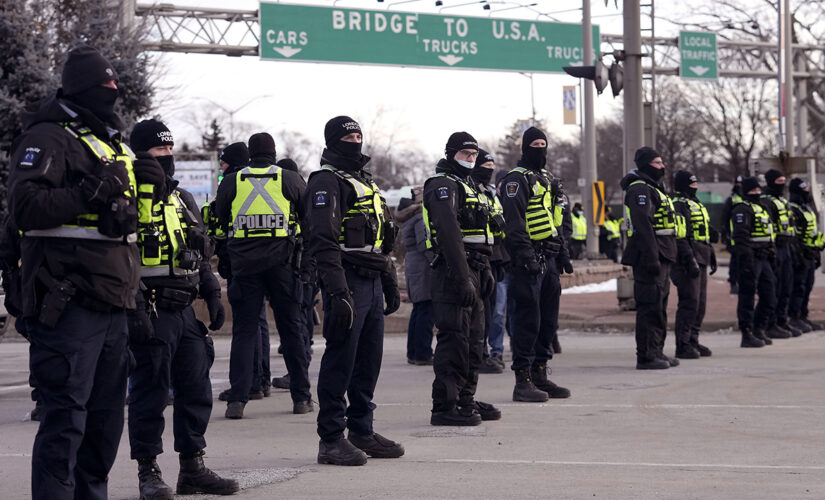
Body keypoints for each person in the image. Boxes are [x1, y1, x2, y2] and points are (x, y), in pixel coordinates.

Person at [7, 45, 141, 500]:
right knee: (65, 423)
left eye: (115, 85)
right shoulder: (48, 137)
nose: (114, 92)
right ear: (82, 88)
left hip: (115, 299)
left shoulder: (105, 140)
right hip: (70, 303)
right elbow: (25, 208)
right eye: (104, 86)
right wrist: (91, 190)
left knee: (105, 427)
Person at [126, 119, 238, 498]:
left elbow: (200, 253)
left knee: (195, 390)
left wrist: (211, 292)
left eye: (171, 149)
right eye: (159, 151)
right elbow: (119, 257)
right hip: (150, 309)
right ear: (141, 153)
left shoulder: (182, 199)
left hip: (185, 311)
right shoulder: (127, 197)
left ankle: (192, 467)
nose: (167, 157)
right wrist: (135, 306)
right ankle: (148, 470)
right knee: (150, 393)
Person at [306, 116, 403, 466]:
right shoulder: (326, 181)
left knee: (368, 361)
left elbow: (382, 239)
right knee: (341, 360)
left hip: (372, 281)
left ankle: (361, 430)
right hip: (347, 280)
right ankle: (331, 438)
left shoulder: (365, 182)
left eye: (358, 134)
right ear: (333, 141)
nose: (355, 140)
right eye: (348, 135)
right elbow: (323, 240)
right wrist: (337, 291)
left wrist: (389, 280)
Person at [215, 132, 311, 418]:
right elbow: (308, 220)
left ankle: (237, 401)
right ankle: (302, 398)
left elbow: (221, 218)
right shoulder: (290, 179)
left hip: (245, 265)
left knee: (244, 332)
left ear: (249, 153)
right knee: (291, 329)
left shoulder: (233, 180)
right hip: (283, 264)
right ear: (273, 152)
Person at [423, 135, 501, 426]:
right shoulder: (442, 185)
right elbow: (449, 234)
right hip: (454, 271)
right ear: (451, 154)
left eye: (473, 154)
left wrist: (486, 270)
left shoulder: (471, 187)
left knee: (474, 341)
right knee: (454, 340)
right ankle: (444, 407)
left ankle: (465, 399)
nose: (470, 158)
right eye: (465, 153)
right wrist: (462, 275)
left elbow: (483, 233)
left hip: (478, 268)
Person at [500, 126, 571, 400]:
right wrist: (527, 256)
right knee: (527, 320)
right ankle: (523, 379)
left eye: (544, 143)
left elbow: (556, 220)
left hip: (549, 259)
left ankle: (540, 372)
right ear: (525, 147)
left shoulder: (546, 179)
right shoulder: (516, 181)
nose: (540, 148)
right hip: (527, 262)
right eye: (535, 144)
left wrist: (563, 253)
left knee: (547, 321)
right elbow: (514, 223)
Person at [620, 147, 679, 370]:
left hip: (663, 253)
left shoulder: (654, 188)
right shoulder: (640, 189)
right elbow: (643, 225)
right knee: (649, 307)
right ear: (645, 165)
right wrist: (652, 256)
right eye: (657, 163)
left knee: (659, 306)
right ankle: (645, 356)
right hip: (649, 256)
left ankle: (657, 351)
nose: (662, 167)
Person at [670, 170, 715, 359]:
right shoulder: (678, 204)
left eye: (696, 184)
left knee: (700, 303)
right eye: (691, 185)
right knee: (690, 302)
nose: (694, 188)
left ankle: (693, 339)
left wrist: (710, 254)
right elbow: (681, 235)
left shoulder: (695, 203)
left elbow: (701, 233)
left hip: (701, 255)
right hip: (686, 259)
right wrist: (690, 260)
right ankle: (683, 344)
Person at [730, 176, 776, 348]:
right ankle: (747, 332)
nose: (757, 192)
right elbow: (741, 237)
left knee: (770, 295)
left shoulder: (763, 208)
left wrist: (773, 256)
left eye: (758, 189)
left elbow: (770, 235)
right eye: (753, 190)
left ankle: (760, 327)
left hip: (765, 258)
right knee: (747, 296)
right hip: (751, 258)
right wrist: (747, 260)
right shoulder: (742, 209)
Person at [473, 150, 509, 373]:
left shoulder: (490, 194)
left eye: (491, 166)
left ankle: (490, 351)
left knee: (494, 311)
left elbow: (499, 227)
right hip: (479, 260)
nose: (489, 170)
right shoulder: (470, 191)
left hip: (496, 260)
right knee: (482, 312)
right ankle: (480, 354)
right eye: (485, 165)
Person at [761, 169, 802, 338]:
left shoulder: (783, 201)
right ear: (771, 182)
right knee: (775, 288)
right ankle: (770, 324)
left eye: (784, 181)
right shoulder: (767, 202)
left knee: (787, 286)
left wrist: (796, 248)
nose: (782, 184)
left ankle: (781, 321)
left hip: (788, 246)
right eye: (779, 181)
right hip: (776, 247)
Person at [398, 187, 435, 365]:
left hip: (414, 263)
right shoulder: (421, 217)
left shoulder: (410, 217)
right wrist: (434, 261)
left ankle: (413, 352)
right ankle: (423, 353)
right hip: (423, 264)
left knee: (419, 308)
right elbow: (424, 243)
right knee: (426, 309)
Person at [788, 178, 824, 332]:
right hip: (801, 254)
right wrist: (798, 255)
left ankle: (803, 316)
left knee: (807, 287)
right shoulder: (793, 208)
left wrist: (818, 249)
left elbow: (813, 232)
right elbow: (795, 236)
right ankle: (794, 317)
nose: (806, 193)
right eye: (803, 191)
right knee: (799, 287)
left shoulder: (807, 208)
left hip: (810, 253)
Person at [721, 176, 744, 294]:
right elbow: (725, 218)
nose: (739, 185)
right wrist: (725, 235)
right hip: (734, 236)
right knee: (735, 262)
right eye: (738, 183)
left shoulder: (747, 198)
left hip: (746, 237)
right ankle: (733, 283)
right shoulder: (731, 200)